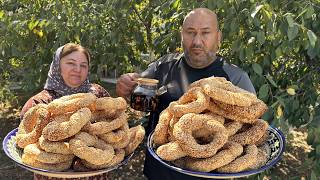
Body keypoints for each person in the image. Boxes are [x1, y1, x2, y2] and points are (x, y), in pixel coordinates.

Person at [116, 8, 256, 180]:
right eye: (191, 33)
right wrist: (127, 86)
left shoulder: (235, 78)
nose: (197, 41)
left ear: (218, 37)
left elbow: (252, 130)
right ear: (182, 35)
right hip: (159, 172)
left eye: (205, 33)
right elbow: (138, 99)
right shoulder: (163, 66)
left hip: (208, 175)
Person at [20, 43, 110, 180]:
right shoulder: (40, 103)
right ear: (57, 66)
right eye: (71, 63)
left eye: (83, 65)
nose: (78, 69)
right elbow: (25, 143)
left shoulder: (98, 94)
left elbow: (114, 123)